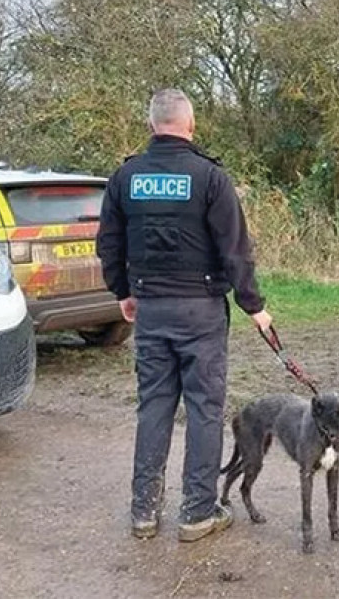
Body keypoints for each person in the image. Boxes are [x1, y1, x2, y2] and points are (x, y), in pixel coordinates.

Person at [96, 88, 273, 543]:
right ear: (190, 125)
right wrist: (254, 305)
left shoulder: (125, 176)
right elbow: (236, 250)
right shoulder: (210, 177)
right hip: (201, 312)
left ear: (153, 125)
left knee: (154, 406)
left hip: (151, 309)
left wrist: (123, 292)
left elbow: (109, 244)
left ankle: (143, 512)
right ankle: (197, 512)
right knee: (203, 410)